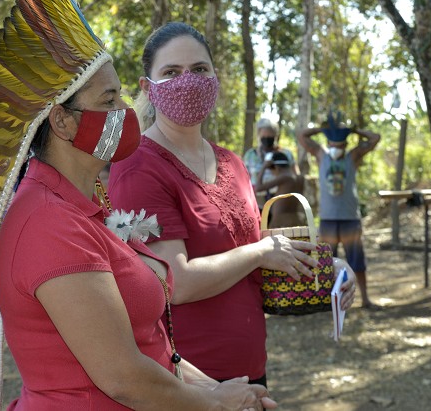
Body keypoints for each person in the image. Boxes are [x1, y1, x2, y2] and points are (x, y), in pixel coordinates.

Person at [0, 0, 276, 409]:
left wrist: (222, 391)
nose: (126, 109)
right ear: (62, 121)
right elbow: (122, 376)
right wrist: (216, 404)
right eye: (109, 99)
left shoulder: (86, 205)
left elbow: (152, 345)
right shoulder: (46, 222)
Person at [107, 22, 356, 387]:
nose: (188, 81)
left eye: (199, 70)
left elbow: (263, 254)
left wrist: (326, 267)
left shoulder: (232, 163)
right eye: (171, 72)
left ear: (215, 79)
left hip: (251, 371)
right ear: (148, 87)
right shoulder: (138, 167)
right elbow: (177, 282)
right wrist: (258, 253)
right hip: (187, 383)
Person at [297, 111, 380, 309]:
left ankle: (365, 299)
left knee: (356, 260)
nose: (336, 148)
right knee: (326, 262)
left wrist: (353, 130)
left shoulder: (353, 156)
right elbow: (301, 135)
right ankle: (326, 300)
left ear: (345, 145)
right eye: (333, 144)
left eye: (340, 144)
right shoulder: (321, 155)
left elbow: (376, 138)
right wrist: (323, 129)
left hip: (350, 218)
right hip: (327, 219)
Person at [243, 118, 298, 209]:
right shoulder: (250, 155)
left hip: (280, 201)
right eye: (264, 137)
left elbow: (295, 175)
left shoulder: (285, 154)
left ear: (276, 136)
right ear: (259, 136)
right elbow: (244, 179)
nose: (267, 140)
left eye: (270, 137)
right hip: (256, 203)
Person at [254, 151, 306, 228]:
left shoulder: (285, 177)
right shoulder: (300, 178)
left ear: (276, 168)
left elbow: (258, 188)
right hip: (296, 220)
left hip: (280, 222)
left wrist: (264, 167)